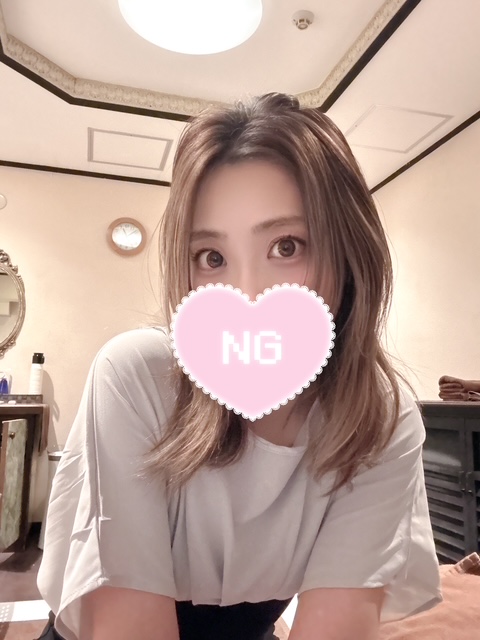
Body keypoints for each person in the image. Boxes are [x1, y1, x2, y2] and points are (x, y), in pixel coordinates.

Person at [37, 93, 442, 640]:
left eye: (287, 246)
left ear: (349, 253)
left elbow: (338, 624)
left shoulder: (379, 418)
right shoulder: (138, 376)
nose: (248, 295)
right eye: (213, 258)